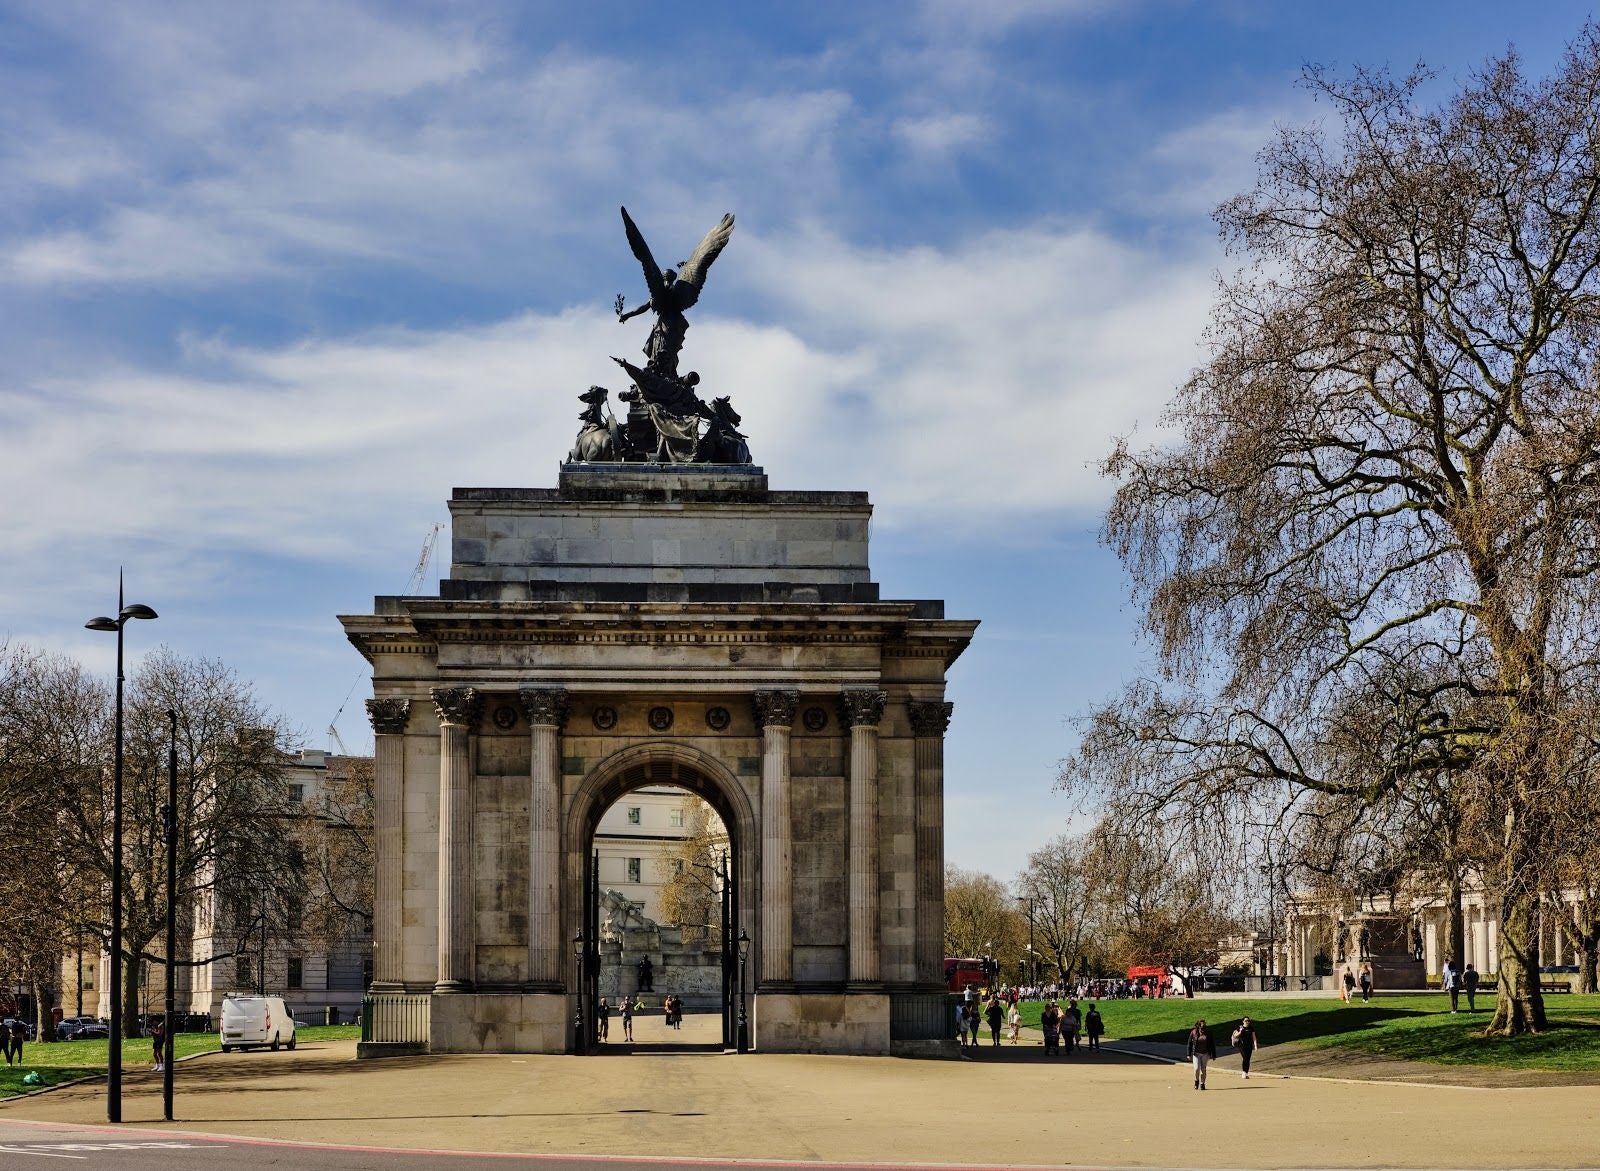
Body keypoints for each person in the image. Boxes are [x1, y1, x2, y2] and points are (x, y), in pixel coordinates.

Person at [1186, 1019, 1216, 1090]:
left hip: (1205, 1054)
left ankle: (1202, 1084)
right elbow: (1189, 1044)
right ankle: (1196, 1081)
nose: (1203, 1029)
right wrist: (1188, 1054)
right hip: (1196, 1054)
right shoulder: (1193, 1032)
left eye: (1204, 1027)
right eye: (1201, 1027)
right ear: (1198, 1026)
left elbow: (1212, 1044)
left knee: (1203, 1069)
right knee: (1196, 1069)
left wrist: (1213, 1055)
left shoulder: (1208, 1033)